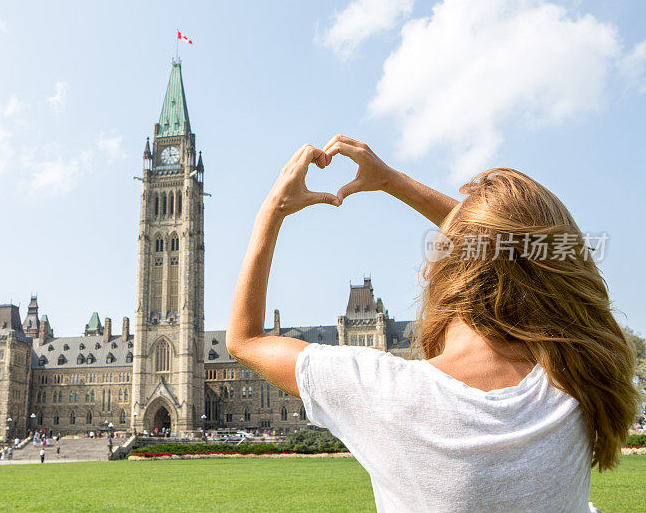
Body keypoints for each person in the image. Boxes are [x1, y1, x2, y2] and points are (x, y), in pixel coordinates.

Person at [225, 136, 639, 512]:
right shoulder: (582, 375)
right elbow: (522, 251)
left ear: (441, 274)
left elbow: (245, 339)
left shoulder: (386, 393)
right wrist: (394, 181)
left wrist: (272, 210)